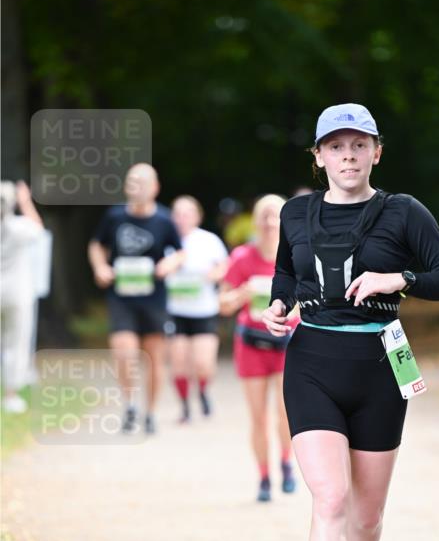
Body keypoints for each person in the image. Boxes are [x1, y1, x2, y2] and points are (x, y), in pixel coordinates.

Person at [262, 103, 439, 541]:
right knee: (330, 498)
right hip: (312, 363)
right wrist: (280, 305)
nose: (347, 155)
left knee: (368, 515)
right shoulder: (296, 212)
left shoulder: (404, 212)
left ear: (376, 151)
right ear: (319, 156)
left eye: (359, 145)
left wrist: (396, 277)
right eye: (336, 146)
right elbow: (285, 272)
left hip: (380, 365)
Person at [87, 163, 184, 434]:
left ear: (154, 187)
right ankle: (130, 404)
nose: (136, 187)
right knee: (124, 352)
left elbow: (179, 251)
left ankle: (150, 412)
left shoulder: (164, 220)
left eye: (141, 182)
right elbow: (96, 244)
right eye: (131, 182)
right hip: (122, 297)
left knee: (153, 358)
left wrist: (169, 264)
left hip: (153, 299)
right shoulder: (114, 216)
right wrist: (100, 267)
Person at [219, 194, 300, 502]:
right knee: (258, 418)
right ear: (256, 221)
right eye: (264, 216)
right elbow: (222, 304)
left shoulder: (295, 258)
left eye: (275, 216)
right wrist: (244, 293)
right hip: (251, 345)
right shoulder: (242, 258)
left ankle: (286, 463)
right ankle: (264, 477)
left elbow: (308, 305)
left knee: (284, 413)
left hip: (285, 345)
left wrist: (290, 310)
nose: (269, 222)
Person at [166, 196, 228, 423]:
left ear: (197, 216)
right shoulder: (166, 239)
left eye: (187, 213)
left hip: (204, 310)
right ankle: (184, 407)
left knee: (203, 364)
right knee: (179, 363)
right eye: (178, 213)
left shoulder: (209, 240)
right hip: (175, 311)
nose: (182, 218)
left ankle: (202, 390)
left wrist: (214, 275)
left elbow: (225, 266)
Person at [0, 181, 44, 413]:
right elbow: (38, 228)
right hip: (17, 292)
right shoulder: (19, 227)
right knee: (16, 342)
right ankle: (11, 394)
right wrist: (26, 202)